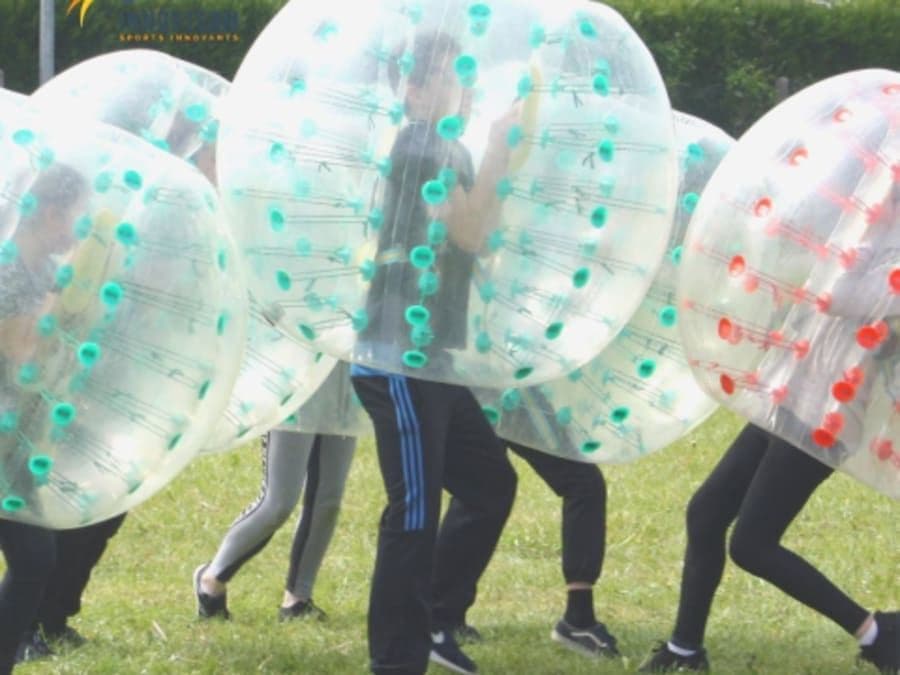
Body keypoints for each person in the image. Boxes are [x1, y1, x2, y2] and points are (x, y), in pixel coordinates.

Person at [351, 30, 520, 675]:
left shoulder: (452, 150)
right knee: (414, 510)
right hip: (398, 356)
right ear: (416, 91)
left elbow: (480, 234)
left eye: (468, 77)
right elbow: (470, 232)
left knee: (489, 484)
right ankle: (397, 660)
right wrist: (501, 149)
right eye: (454, 77)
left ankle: (436, 623)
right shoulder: (420, 147)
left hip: (434, 360)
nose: (467, 89)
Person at [637, 424, 898, 673]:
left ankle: (878, 633)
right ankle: (684, 649)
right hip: (785, 406)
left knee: (752, 546)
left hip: (825, 420)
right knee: (706, 515)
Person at [194, 425, 356, 621]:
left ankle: (297, 600)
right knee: (277, 504)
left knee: (327, 501)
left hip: (341, 405)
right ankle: (210, 579)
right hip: (291, 409)